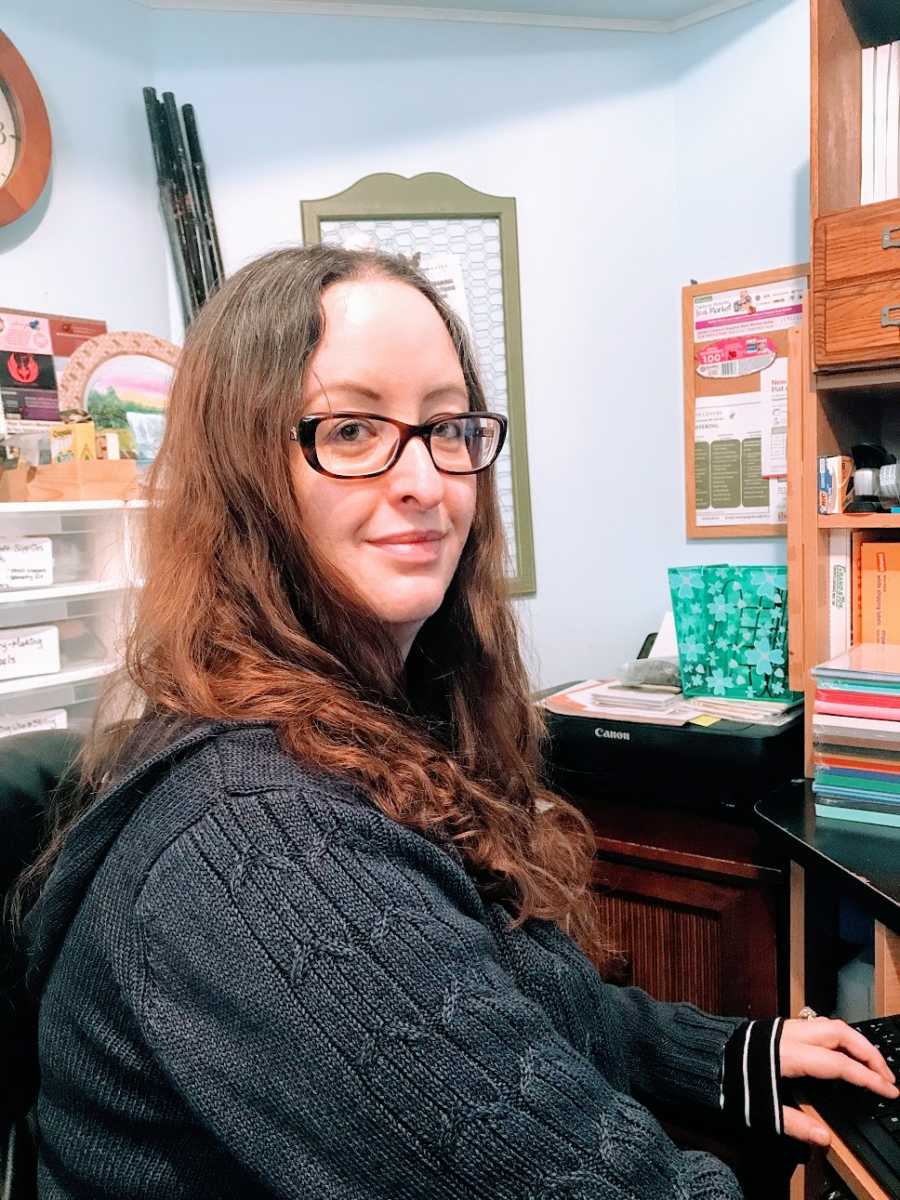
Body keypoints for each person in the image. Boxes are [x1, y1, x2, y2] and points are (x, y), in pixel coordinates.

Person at [12, 245, 898, 1199]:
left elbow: (497, 1008)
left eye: (446, 426)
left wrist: (731, 1058)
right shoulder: (265, 839)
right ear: (244, 477)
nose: (426, 482)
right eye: (351, 430)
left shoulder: (369, 733)